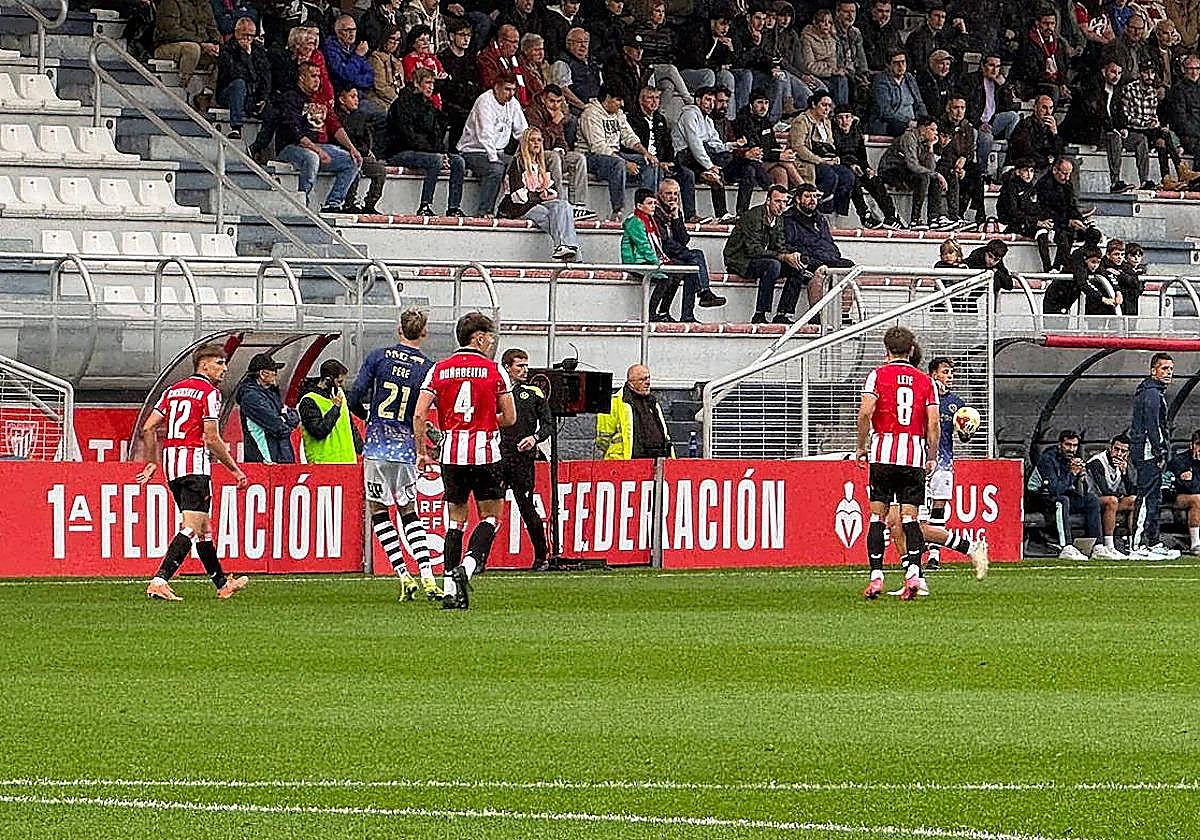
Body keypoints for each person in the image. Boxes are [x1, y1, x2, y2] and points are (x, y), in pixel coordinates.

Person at [414, 313, 517, 610]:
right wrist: (486, 418)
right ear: (479, 338)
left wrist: (421, 451)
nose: (492, 341)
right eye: (490, 336)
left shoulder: (438, 369)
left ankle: (448, 591)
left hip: (451, 455)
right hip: (485, 453)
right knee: (490, 518)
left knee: (455, 523)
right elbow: (510, 417)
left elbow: (420, 415)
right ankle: (468, 568)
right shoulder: (495, 369)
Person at [136, 344, 248, 602]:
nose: (224, 368)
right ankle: (160, 580)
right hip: (195, 464)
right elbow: (211, 437)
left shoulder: (172, 391)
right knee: (192, 526)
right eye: (219, 363)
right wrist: (234, 469)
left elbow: (148, 427)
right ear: (203, 365)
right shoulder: (210, 392)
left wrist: (152, 462)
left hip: (172, 466)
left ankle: (222, 583)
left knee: (203, 527)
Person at [348, 309, 444, 601]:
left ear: (398, 330)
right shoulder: (428, 367)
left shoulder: (378, 356)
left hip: (376, 445)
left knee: (378, 509)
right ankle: (427, 574)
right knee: (408, 510)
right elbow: (422, 410)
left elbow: (354, 395)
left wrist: (370, 419)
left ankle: (403, 575)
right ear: (424, 333)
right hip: (405, 448)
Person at [856, 326, 939, 600]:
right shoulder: (926, 381)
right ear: (912, 350)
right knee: (909, 518)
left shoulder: (877, 375)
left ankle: (876, 576)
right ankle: (913, 572)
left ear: (886, 351)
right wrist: (931, 455)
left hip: (883, 453)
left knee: (877, 517)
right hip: (913, 455)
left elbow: (866, 412)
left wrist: (861, 446)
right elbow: (934, 424)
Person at [923, 355, 989, 573]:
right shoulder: (923, 396)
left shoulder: (957, 404)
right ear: (933, 374)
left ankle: (934, 555)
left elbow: (963, 438)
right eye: (945, 372)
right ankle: (922, 546)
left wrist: (966, 432)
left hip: (943, 462)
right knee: (919, 510)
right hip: (919, 459)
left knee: (939, 507)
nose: (949, 376)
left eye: (951, 373)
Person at [276, 62, 363, 213]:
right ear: (302, 78)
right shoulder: (290, 98)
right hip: (292, 147)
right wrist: (317, 150)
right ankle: (302, 203)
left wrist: (352, 148)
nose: (318, 80)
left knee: (352, 160)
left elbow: (335, 126)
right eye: (313, 76)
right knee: (312, 158)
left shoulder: (321, 99)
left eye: (319, 76)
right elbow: (294, 131)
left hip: (319, 147)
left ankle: (333, 204)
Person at [386, 67, 467, 217]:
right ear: (417, 83)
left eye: (432, 83)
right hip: (400, 151)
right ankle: (425, 205)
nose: (431, 87)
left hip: (426, 151)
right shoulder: (402, 104)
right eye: (427, 82)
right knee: (435, 160)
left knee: (458, 161)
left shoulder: (430, 106)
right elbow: (408, 136)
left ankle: (453, 207)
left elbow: (435, 135)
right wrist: (436, 154)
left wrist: (444, 154)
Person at [723, 185, 810, 324]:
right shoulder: (754, 216)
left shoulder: (779, 218)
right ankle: (760, 314)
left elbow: (780, 245)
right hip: (739, 261)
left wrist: (791, 256)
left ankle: (783, 313)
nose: (781, 206)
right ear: (768, 200)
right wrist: (782, 256)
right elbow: (753, 250)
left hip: (760, 260)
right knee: (773, 265)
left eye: (784, 202)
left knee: (796, 267)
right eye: (777, 201)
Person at [499, 349, 553, 571]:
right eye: (519, 366)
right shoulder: (496, 391)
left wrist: (535, 438)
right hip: (498, 457)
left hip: (522, 459)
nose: (525, 370)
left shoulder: (533, 393)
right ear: (507, 367)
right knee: (491, 508)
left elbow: (548, 425)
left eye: (526, 365)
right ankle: (479, 558)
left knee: (527, 507)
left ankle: (542, 556)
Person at [1061, 60, 1149, 193]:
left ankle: (1144, 181)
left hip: (1107, 131)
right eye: (1113, 72)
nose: (1116, 76)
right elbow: (1095, 114)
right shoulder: (1093, 86)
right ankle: (1115, 182)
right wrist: (1113, 129)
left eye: (1119, 73)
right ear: (1104, 71)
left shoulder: (1118, 89)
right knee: (1114, 137)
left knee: (1140, 139)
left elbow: (1120, 112)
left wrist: (1123, 127)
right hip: (1090, 132)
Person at [498, 126, 583, 261]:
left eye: (539, 140)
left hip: (535, 203)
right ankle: (573, 253)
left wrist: (547, 193)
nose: (537, 143)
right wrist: (539, 195)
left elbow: (552, 189)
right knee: (550, 216)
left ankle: (564, 248)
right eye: (532, 140)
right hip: (519, 208)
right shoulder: (517, 163)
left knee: (563, 206)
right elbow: (518, 197)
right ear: (525, 143)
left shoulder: (542, 164)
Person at [577, 86, 658, 220]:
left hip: (614, 154)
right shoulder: (590, 113)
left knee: (649, 162)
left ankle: (646, 209)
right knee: (618, 164)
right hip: (590, 157)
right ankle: (617, 210)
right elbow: (598, 147)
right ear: (607, 98)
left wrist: (646, 153)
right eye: (618, 100)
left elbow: (629, 137)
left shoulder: (618, 113)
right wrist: (626, 163)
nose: (622, 104)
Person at [1129, 352, 1181, 559]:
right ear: (1153, 370)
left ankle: (1153, 541)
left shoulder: (1155, 392)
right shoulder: (1150, 394)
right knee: (1146, 496)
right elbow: (1153, 426)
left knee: (1155, 497)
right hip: (1148, 452)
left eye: (1170, 369)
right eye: (1164, 369)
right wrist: (1160, 451)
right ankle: (1137, 544)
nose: (1168, 373)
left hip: (1152, 451)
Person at [654, 178, 726, 321]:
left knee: (692, 268)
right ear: (660, 195)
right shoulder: (655, 211)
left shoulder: (675, 210)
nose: (672, 197)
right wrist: (684, 252)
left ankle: (688, 315)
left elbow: (684, 239)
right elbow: (664, 242)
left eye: (675, 194)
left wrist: (676, 218)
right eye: (668, 193)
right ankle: (704, 292)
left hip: (673, 252)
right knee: (696, 256)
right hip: (660, 253)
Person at [458, 73, 528, 217]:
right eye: (507, 89)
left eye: (513, 90)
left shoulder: (513, 103)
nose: (511, 94)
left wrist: (528, 155)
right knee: (495, 169)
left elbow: (522, 131)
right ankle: (485, 211)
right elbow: (485, 134)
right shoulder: (484, 101)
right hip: (473, 151)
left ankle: (509, 210)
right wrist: (494, 158)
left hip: (499, 151)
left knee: (520, 165)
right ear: (496, 87)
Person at [1026, 429, 1104, 559]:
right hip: (1038, 497)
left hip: (1061, 495)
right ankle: (1066, 547)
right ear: (1060, 445)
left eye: (1074, 446)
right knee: (1062, 501)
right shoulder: (1047, 459)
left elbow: (1081, 492)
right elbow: (1054, 489)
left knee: (1091, 500)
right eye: (1068, 445)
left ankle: (1097, 545)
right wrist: (1072, 473)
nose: (1071, 449)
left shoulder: (1073, 459)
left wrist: (1081, 476)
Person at [781, 183, 853, 321]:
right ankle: (816, 314)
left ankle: (843, 314)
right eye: (807, 196)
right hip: (807, 260)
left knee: (850, 267)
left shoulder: (820, 219)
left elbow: (829, 244)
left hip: (825, 257)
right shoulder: (788, 219)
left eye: (815, 196)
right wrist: (820, 256)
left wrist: (830, 256)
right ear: (797, 199)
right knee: (820, 271)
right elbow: (790, 245)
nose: (812, 199)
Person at [628, 87, 699, 220]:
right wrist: (659, 163)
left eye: (657, 98)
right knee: (654, 166)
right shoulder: (631, 119)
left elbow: (668, 145)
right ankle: (653, 212)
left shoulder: (660, 119)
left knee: (687, 174)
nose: (654, 102)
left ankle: (690, 215)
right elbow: (630, 146)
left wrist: (669, 161)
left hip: (662, 162)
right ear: (641, 100)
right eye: (650, 98)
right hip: (643, 161)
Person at [525, 85, 593, 218]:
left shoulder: (558, 113)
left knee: (578, 158)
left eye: (558, 101)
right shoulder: (533, 111)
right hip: (535, 155)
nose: (555, 105)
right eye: (552, 101)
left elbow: (561, 139)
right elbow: (536, 140)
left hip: (552, 153)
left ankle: (577, 206)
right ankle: (559, 203)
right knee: (554, 157)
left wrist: (561, 148)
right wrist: (555, 123)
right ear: (544, 99)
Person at [672, 87, 738, 223]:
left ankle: (722, 214)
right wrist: (709, 165)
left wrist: (731, 146)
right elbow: (694, 144)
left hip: (701, 157)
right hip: (684, 156)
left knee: (726, 157)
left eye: (713, 101)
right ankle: (691, 216)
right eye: (707, 100)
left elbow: (716, 143)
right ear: (698, 100)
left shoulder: (708, 120)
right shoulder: (689, 115)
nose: (711, 104)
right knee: (698, 172)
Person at [878, 116, 952, 230]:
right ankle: (915, 219)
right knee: (925, 178)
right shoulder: (909, 137)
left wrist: (931, 148)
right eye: (932, 129)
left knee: (933, 179)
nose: (935, 133)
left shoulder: (925, 142)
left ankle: (934, 217)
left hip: (906, 171)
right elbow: (912, 165)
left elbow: (930, 168)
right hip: (891, 170)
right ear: (922, 128)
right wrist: (936, 174)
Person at [832, 104, 899, 228]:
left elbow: (861, 154)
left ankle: (891, 216)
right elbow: (834, 154)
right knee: (854, 181)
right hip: (841, 166)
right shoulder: (832, 132)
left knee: (874, 180)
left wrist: (867, 168)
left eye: (847, 117)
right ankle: (865, 215)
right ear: (835, 120)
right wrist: (850, 165)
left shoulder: (856, 130)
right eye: (840, 118)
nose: (844, 121)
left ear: (852, 118)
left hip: (857, 166)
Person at [788, 90, 853, 217]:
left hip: (825, 160)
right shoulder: (801, 121)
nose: (827, 109)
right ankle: (818, 210)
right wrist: (820, 160)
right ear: (813, 104)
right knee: (830, 176)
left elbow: (830, 144)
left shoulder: (827, 122)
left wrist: (832, 158)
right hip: (807, 161)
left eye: (829, 106)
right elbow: (798, 147)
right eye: (824, 105)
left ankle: (836, 212)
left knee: (848, 176)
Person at [959, 53, 1021, 178]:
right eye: (991, 65)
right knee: (987, 138)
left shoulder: (999, 83)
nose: (995, 70)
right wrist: (978, 124)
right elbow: (966, 106)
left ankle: (1010, 157)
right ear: (982, 66)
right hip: (975, 123)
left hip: (992, 121)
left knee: (1013, 116)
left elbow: (1011, 106)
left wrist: (1004, 87)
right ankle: (982, 172)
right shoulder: (971, 80)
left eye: (998, 66)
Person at [621, 189, 679, 320]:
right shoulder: (635, 221)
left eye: (654, 203)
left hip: (647, 261)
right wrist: (658, 263)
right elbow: (644, 247)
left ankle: (664, 312)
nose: (653, 206)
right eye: (649, 203)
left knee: (677, 275)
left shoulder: (649, 220)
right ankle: (650, 313)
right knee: (665, 279)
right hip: (636, 262)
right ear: (639, 206)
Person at [595, 364, 673, 459]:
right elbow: (603, 440)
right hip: (624, 462)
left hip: (656, 461)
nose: (647, 382)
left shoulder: (652, 402)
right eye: (642, 379)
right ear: (630, 383)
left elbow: (664, 434)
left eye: (648, 378)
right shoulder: (614, 403)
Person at [323, 15, 386, 130]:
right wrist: (357, 57)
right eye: (347, 30)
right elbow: (345, 76)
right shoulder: (330, 49)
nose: (352, 34)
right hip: (343, 99)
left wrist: (353, 80)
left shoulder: (355, 48)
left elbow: (370, 77)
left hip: (360, 94)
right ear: (338, 32)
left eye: (354, 30)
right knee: (381, 114)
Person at [235, 352, 298, 463]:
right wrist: (284, 418)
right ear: (262, 374)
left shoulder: (270, 393)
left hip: (280, 455)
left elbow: (295, 417)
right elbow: (279, 427)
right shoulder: (251, 397)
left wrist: (284, 417)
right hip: (266, 459)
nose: (276, 374)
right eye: (274, 371)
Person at [1123, 63, 1179, 186]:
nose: (1150, 76)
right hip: (1134, 129)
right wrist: (1147, 123)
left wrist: (1155, 123)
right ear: (1140, 73)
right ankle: (1175, 172)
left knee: (1163, 137)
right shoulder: (1130, 89)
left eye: (1152, 73)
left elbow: (1153, 114)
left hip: (1149, 130)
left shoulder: (1152, 92)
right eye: (1146, 73)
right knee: (1163, 138)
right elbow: (1127, 117)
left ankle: (1167, 177)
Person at [334, 86, 387, 214]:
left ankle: (369, 204)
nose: (356, 100)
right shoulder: (336, 117)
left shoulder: (360, 116)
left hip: (361, 155)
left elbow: (365, 139)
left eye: (357, 96)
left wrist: (366, 151)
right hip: (344, 153)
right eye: (352, 97)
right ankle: (349, 203)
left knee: (380, 170)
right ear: (341, 99)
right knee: (353, 166)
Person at [997, 157, 1055, 271]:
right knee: (1042, 232)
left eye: (1032, 171)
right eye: (1026, 170)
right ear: (1018, 172)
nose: (1029, 174)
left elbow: (1036, 209)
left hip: (1029, 222)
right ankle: (1048, 268)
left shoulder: (1031, 188)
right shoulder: (1010, 187)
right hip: (1013, 224)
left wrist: (1045, 220)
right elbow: (1012, 212)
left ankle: (1058, 266)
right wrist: (1036, 222)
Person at [298, 358, 361, 464]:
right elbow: (318, 431)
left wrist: (361, 448)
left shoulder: (340, 395)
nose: (341, 385)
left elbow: (350, 426)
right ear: (328, 380)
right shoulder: (309, 400)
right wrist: (335, 408)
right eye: (339, 381)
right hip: (323, 464)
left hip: (347, 462)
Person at [215, 17, 269, 139]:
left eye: (251, 35)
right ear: (236, 33)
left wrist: (263, 97)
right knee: (239, 84)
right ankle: (236, 127)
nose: (248, 39)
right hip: (229, 93)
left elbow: (265, 75)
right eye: (244, 35)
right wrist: (245, 55)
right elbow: (236, 73)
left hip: (252, 94)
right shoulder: (227, 49)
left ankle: (258, 147)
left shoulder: (258, 50)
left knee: (274, 110)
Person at [1086, 432, 1138, 558]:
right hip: (1091, 500)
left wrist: (1125, 473)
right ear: (1110, 448)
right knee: (1112, 500)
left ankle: (1133, 545)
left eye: (1123, 451)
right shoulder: (1097, 462)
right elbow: (1104, 489)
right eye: (1116, 449)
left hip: (1111, 499)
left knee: (1134, 500)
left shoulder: (1123, 464)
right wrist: (1119, 495)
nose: (1119, 454)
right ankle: (1109, 546)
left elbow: (1132, 490)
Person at [153, 0, 221, 97]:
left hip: (200, 46)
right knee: (192, 48)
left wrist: (216, 44)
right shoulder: (170, 2)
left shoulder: (205, 5)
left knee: (224, 53)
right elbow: (171, 31)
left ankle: (207, 95)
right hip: (167, 47)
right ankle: (182, 89)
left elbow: (213, 29)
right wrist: (201, 43)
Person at [1036, 157, 1089, 271]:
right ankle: (1060, 266)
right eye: (1064, 174)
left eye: (1069, 174)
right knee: (1064, 235)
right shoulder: (1044, 185)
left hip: (1063, 220)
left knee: (1089, 233)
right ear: (1055, 170)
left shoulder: (1067, 184)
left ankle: (1061, 266)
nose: (1067, 177)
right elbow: (1045, 210)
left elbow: (1071, 206)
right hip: (1050, 221)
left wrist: (1078, 219)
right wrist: (1068, 221)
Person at [1043, 245, 1120, 314]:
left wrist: (1117, 291)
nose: (1095, 266)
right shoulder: (1078, 268)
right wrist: (1102, 298)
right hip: (1055, 300)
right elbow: (1083, 284)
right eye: (1093, 262)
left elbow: (1105, 275)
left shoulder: (1092, 268)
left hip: (1066, 302)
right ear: (1085, 260)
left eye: (1098, 262)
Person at [867, 50, 926, 137]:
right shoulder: (881, 81)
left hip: (913, 122)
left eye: (903, 62)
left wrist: (925, 121)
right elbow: (886, 112)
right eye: (896, 63)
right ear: (888, 65)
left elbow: (919, 103)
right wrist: (908, 122)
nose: (901, 66)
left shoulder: (909, 78)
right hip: (891, 123)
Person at [1004, 94, 1065, 173]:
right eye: (1044, 107)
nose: (1048, 112)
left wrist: (1055, 133)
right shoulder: (1025, 124)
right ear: (1035, 108)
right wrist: (1047, 160)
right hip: (1027, 167)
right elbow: (1026, 150)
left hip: (1044, 166)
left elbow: (1059, 152)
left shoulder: (1051, 127)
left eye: (1051, 108)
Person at [1166, 428, 1200, 553]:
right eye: (1198, 445)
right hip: (1177, 496)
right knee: (1196, 499)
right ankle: (1195, 544)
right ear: (1192, 445)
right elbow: (1190, 488)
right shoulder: (1181, 460)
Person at [1165, 55, 1200, 168]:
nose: (1194, 72)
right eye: (1190, 68)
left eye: (1197, 68)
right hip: (1188, 136)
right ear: (1184, 70)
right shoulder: (1178, 90)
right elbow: (1181, 121)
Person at [365, 25, 405, 113]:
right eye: (392, 39)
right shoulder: (376, 58)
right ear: (385, 39)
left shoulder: (397, 61)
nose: (395, 43)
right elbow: (381, 87)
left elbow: (401, 85)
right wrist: (399, 101)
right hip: (379, 99)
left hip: (396, 99)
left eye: (398, 40)